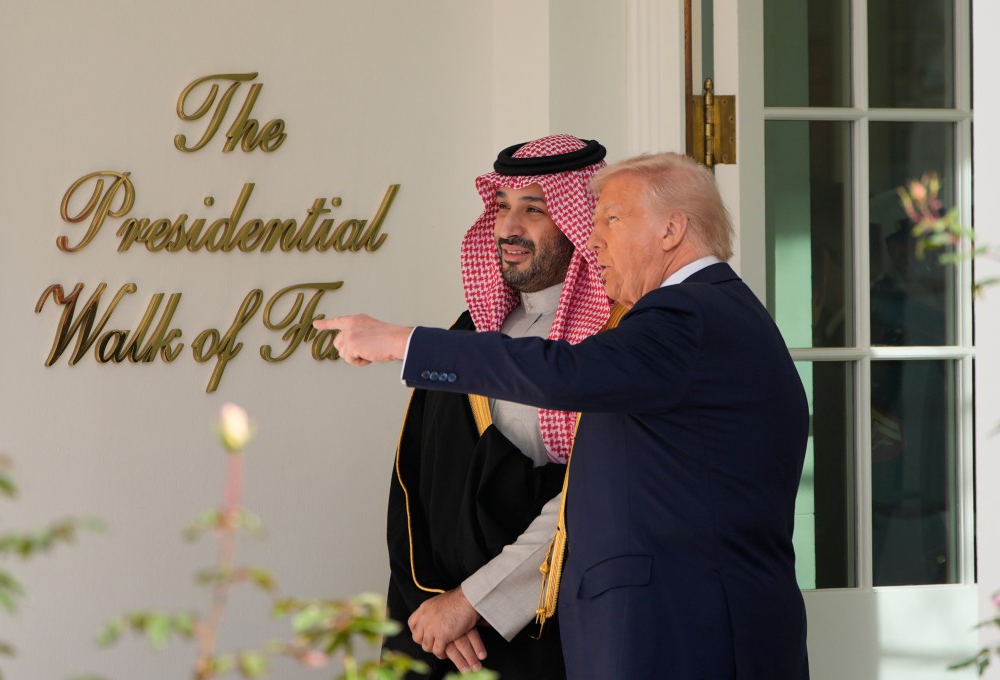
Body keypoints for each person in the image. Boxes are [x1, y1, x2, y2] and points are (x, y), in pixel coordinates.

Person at [316, 152, 811, 679]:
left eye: (610, 220)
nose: (592, 240)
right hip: (675, 626)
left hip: (682, 631)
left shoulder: (686, 315)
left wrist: (401, 342)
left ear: (672, 229)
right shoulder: (710, 313)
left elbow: (563, 372)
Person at [381, 134, 612, 678]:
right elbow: (415, 478)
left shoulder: (611, 342)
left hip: (546, 629)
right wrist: (428, 599)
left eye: (534, 209)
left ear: (581, 221)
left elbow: (590, 499)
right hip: (442, 629)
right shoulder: (472, 332)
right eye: (502, 206)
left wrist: (472, 601)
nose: (508, 227)